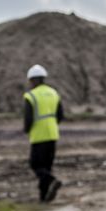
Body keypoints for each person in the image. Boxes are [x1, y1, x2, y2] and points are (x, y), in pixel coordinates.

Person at [23, 63, 64, 202]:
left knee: (35, 165)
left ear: (33, 80)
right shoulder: (54, 92)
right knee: (47, 166)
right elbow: (60, 115)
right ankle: (44, 198)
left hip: (38, 136)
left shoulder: (31, 96)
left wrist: (26, 129)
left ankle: (52, 180)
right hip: (52, 134)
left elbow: (28, 118)